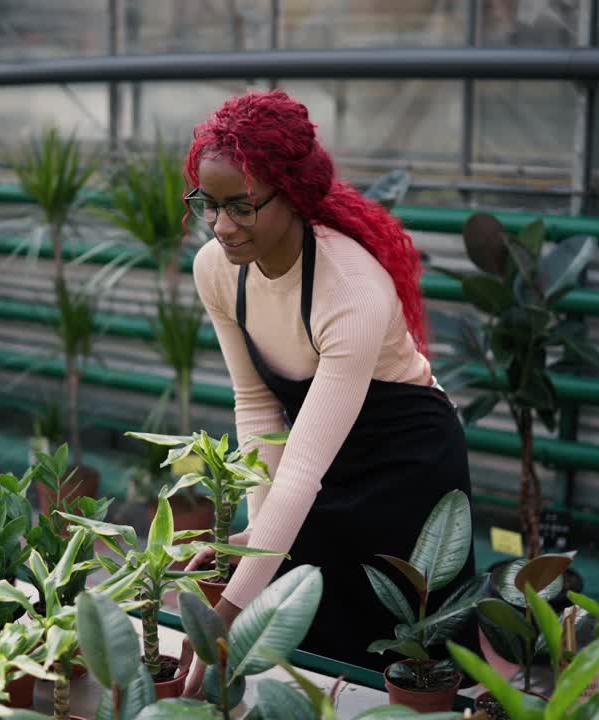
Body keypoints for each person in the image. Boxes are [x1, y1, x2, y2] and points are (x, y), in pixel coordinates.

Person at [178, 89, 477, 696]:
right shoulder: (216, 269)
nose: (222, 225)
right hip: (320, 460)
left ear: (291, 194)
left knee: (396, 661)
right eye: (208, 204)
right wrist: (257, 537)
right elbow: (259, 406)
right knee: (309, 649)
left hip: (407, 466)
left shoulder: (352, 290)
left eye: (241, 206)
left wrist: (229, 609)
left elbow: (301, 471)